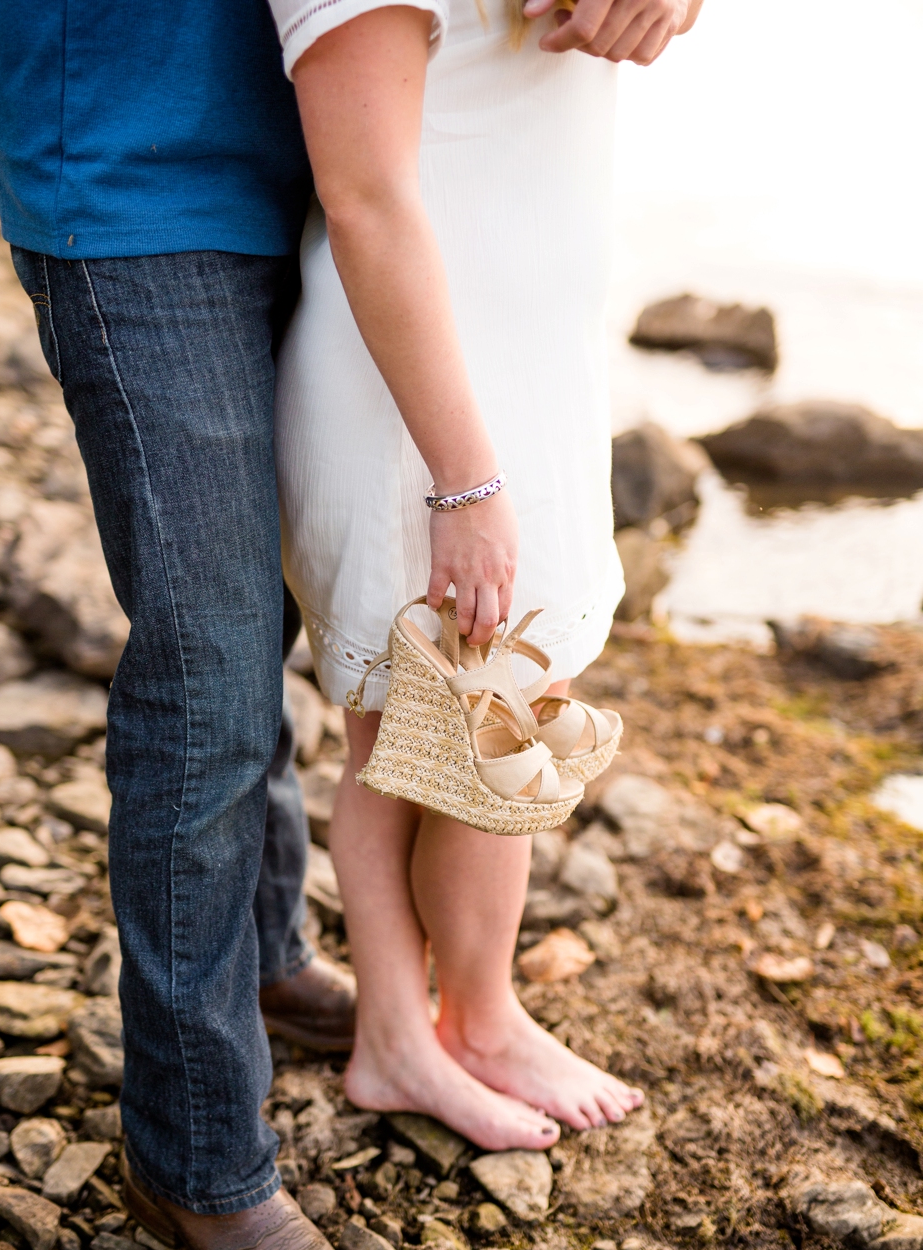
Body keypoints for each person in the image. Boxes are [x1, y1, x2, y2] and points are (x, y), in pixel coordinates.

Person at [0, 0, 692, 1250]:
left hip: (327, 158)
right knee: (209, 662)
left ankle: (263, 958)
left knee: (291, 637)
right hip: (150, 182)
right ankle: (193, 1160)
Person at [275, 0, 698, 1150]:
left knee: (509, 703)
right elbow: (362, 196)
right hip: (417, 398)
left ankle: (474, 1016)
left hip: (530, 366)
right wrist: (462, 484)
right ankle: (405, 1037)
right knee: (415, 728)